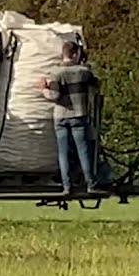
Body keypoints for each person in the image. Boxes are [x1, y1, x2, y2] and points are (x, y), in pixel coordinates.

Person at [38, 41, 105, 195]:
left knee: (63, 153)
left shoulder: (56, 73)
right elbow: (96, 86)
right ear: (75, 54)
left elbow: (54, 96)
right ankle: (91, 184)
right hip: (79, 115)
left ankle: (67, 186)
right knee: (83, 150)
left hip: (60, 117)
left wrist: (43, 89)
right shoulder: (84, 72)